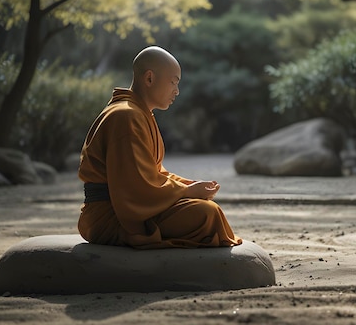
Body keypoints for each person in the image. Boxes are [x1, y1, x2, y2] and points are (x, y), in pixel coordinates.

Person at [77, 46, 242, 249]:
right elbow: (135, 188)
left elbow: (152, 174)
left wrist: (189, 185)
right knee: (206, 215)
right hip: (112, 215)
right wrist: (186, 191)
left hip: (129, 206)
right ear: (149, 78)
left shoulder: (138, 113)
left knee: (207, 210)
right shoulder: (126, 116)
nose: (177, 91)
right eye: (173, 82)